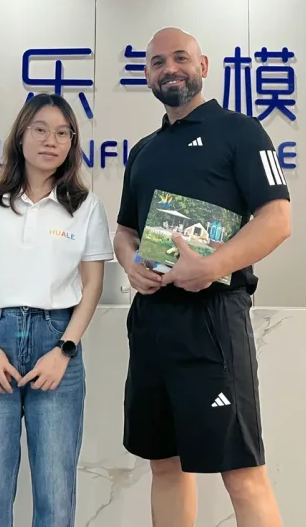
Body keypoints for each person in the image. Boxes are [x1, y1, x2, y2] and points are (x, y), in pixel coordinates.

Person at [114, 28, 292, 527]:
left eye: (180, 58)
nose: (169, 68)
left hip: (214, 320)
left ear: (203, 65)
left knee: (241, 469)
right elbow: (126, 231)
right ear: (147, 74)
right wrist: (131, 265)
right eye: (156, 62)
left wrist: (212, 266)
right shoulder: (143, 150)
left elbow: (277, 219)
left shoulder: (241, 131)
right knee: (164, 464)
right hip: (152, 321)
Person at [0, 93, 113, 527]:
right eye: (40, 129)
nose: (51, 140)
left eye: (63, 133)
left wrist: (64, 350)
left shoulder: (85, 206)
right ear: (21, 135)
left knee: (56, 490)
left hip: (56, 345)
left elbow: (92, 285)